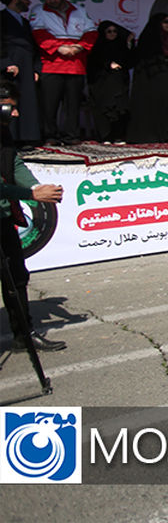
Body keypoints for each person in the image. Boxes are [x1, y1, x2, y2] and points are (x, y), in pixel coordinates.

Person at [0, 80, 66, 351]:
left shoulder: (3, 133)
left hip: (3, 218)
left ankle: (23, 335)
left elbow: (12, 163)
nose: (15, 114)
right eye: (10, 108)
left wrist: (36, 187)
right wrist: (29, 196)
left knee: (17, 276)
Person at [30, 0, 96, 145]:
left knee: (72, 104)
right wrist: (58, 48)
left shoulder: (79, 10)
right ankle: (50, 136)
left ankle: (71, 136)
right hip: (52, 64)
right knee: (49, 104)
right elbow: (39, 33)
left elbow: (91, 32)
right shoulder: (39, 11)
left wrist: (80, 46)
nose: (52, 0)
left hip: (76, 64)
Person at [126, 13, 168, 144]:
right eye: (165, 22)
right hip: (152, 80)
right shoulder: (148, 37)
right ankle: (152, 133)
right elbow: (142, 58)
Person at [0, 0, 41, 146]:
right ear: (14, 0)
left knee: (27, 100)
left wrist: (36, 68)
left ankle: (26, 137)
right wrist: (6, 62)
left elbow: (33, 46)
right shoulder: (2, 18)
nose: (28, 2)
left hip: (26, 63)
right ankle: (9, 138)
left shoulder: (24, 22)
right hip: (10, 62)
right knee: (9, 99)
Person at [86, 20, 135, 143]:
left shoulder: (121, 47)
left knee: (120, 109)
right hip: (102, 85)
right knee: (104, 109)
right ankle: (105, 136)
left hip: (119, 84)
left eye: (115, 31)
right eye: (109, 31)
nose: (112, 34)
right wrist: (108, 64)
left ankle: (118, 135)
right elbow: (94, 64)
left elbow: (130, 61)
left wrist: (130, 44)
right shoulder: (97, 48)